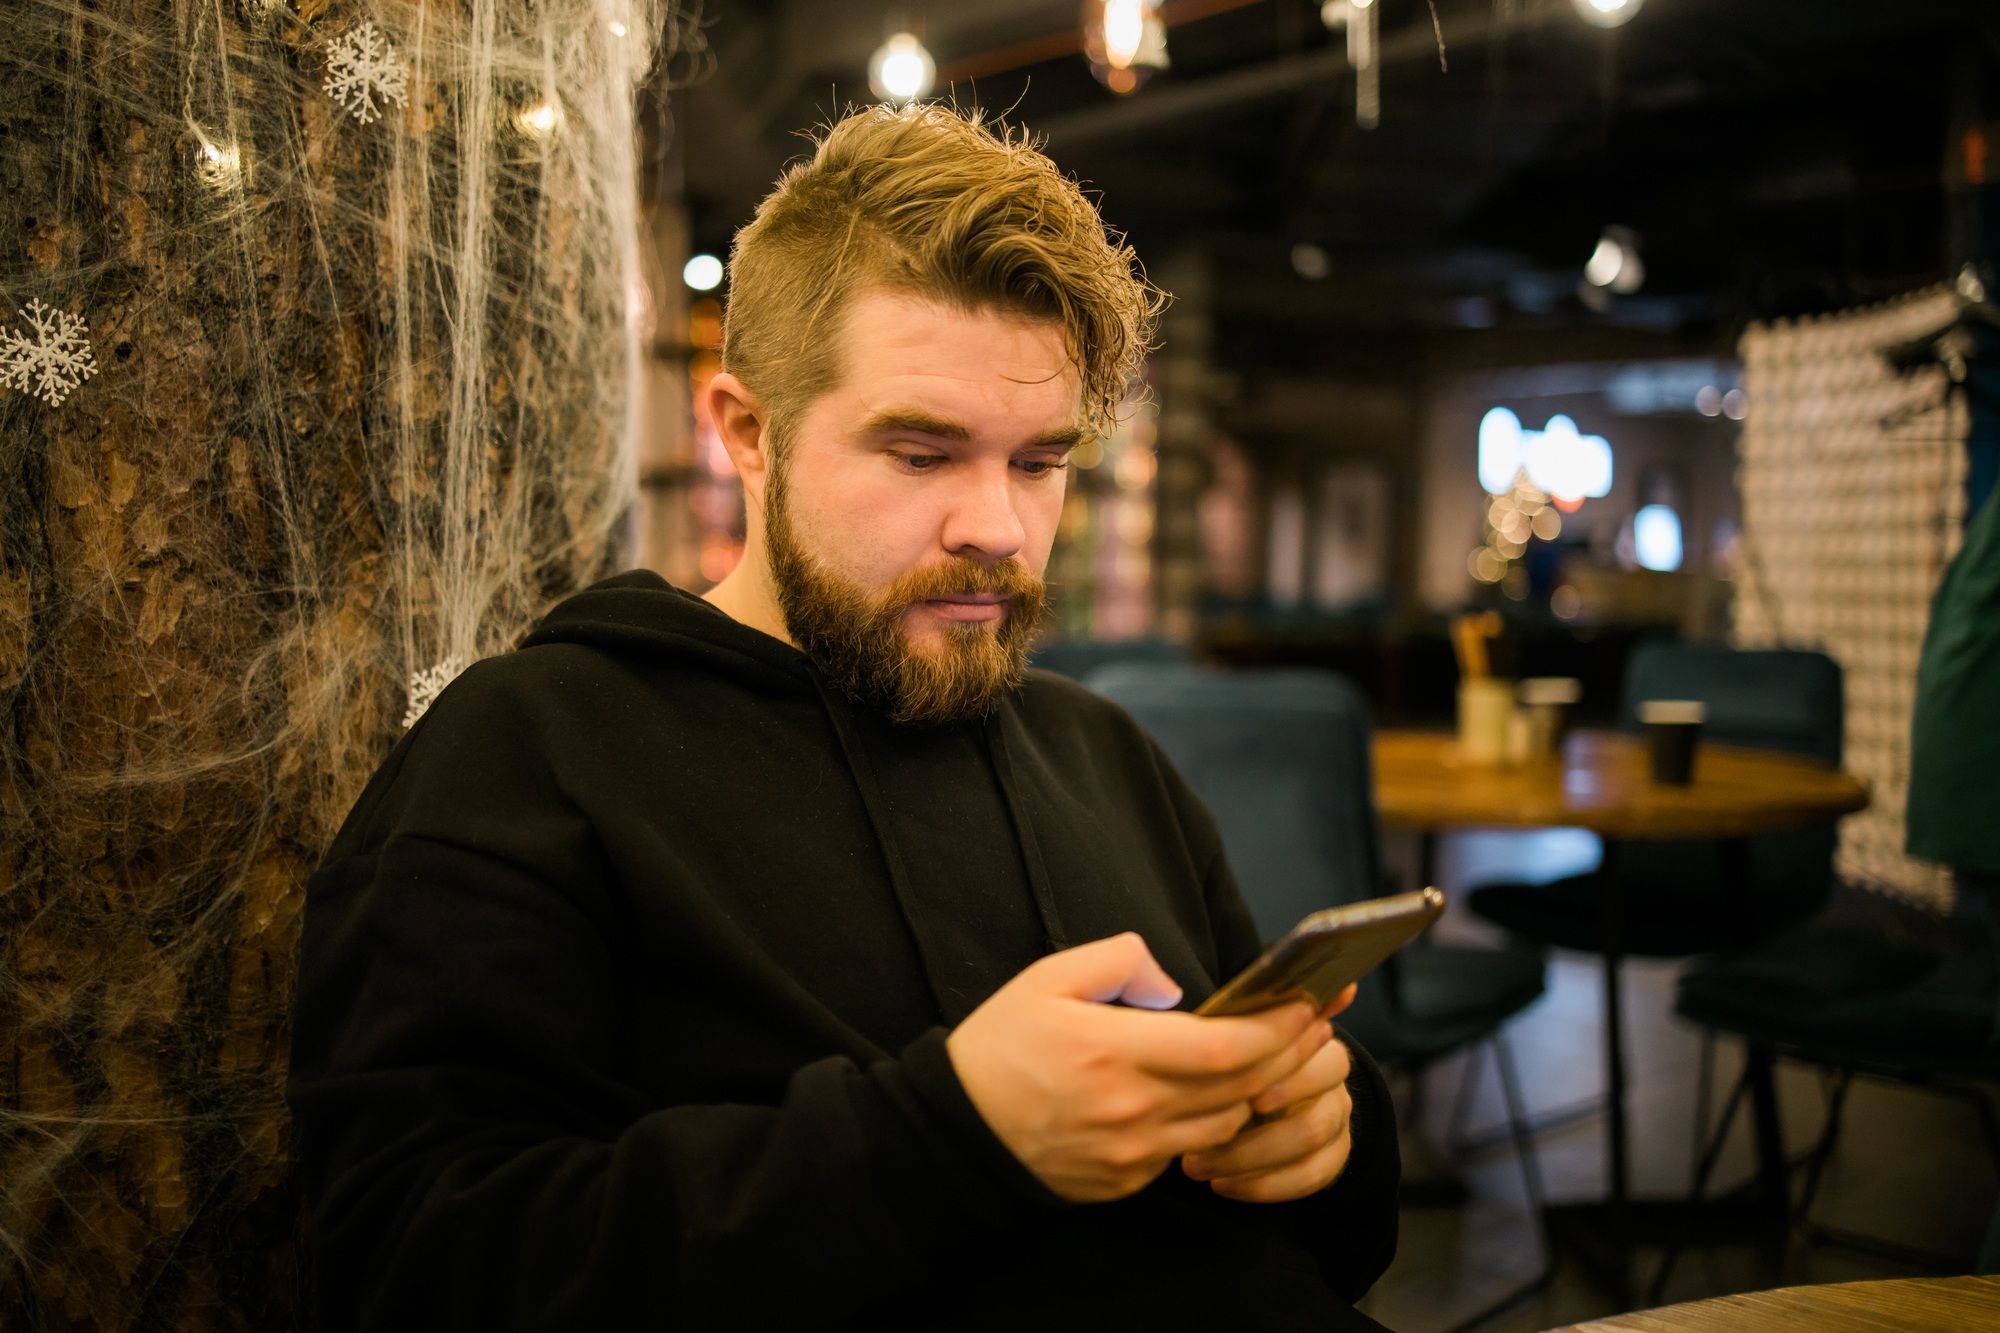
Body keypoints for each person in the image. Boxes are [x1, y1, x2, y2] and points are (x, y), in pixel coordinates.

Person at [288, 104, 1399, 1331]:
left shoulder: (1105, 752)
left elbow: (1329, 1244)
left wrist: (1323, 1141)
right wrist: (943, 1142)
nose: (998, 526)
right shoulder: (532, 754)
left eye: (1038, 461)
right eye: (921, 454)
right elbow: (408, 1267)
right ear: (747, 434)